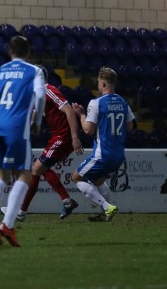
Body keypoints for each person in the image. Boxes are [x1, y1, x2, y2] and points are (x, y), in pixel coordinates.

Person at [0, 35, 46, 247]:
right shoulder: (34, 71)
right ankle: (7, 225)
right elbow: (39, 95)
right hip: (18, 127)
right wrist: (37, 120)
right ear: (28, 53)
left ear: (9, 51)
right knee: (24, 176)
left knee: (1, 175)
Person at [2, 70, 84, 221]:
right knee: (39, 168)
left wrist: (74, 138)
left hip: (64, 136)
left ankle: (20, 211)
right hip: (58, 136)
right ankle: (66, 201)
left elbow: (70, 112)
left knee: (36, 169)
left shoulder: (49, 90)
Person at [71, 67, 135, 222]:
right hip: (119, 154)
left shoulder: (96, 103)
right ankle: (105, 214)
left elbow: (87, 129)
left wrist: (81, 114)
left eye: (99, 83)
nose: (98, 86)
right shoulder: (123, 102)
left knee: (76, 177)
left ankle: (107, 207)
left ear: (104, 84)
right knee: (98, 180)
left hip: (103, 153)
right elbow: (130, 127)